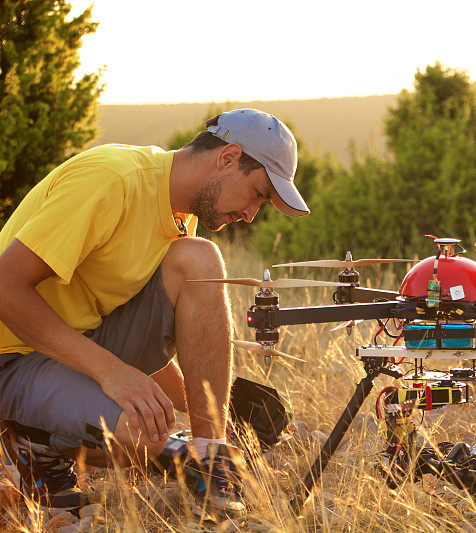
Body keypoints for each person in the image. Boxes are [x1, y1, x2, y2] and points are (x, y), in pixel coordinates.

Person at [0, 108, 309, 516]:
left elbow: (142, 344)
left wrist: (218, 411)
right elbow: (5, 287)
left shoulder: (181, 221)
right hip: (13, 357)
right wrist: (112, 372)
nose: (252, 213)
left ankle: (211, 459)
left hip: (77, 344)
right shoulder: (113, 180)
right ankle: (33, 439)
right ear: (228, 157)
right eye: (258, 193)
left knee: (200, 259)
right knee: (142, 437)